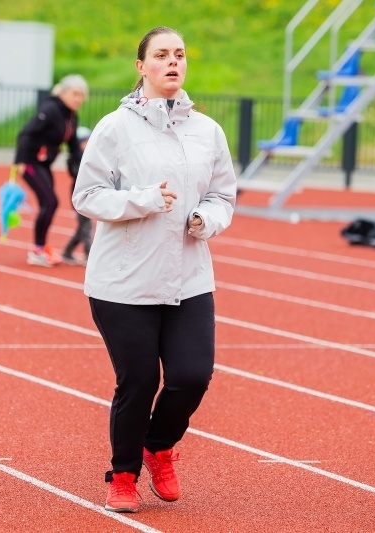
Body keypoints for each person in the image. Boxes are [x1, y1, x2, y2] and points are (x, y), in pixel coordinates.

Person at [72, 27, 237, 513]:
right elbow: (86, 196)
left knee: (192, 375)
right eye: (161, 55)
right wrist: (142, 201)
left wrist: (208, 218)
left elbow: (224, 194)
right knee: (139, 380)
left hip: (188, 276)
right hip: (123, 283)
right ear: (141, 66)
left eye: (180, 55)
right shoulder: (114, 129)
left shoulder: (207, 131)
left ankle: (159, 446)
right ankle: (123, 475)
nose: (173, 62)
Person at [14, 74, 88, 267]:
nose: (78, 99)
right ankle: (37, 249)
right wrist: (19, 160)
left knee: (50, 203)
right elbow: (27, 133)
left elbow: (72, 146)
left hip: (44, 164)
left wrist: (84, 168)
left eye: (81, 95)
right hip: (30, 161)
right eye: (75, 94)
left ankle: (41, 246)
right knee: (50, 201)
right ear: (64, 93)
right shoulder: (51, 109)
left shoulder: (71, 116)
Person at [61, 126, 93, 266]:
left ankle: (68, 251)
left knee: (83, 227)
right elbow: (76, 174)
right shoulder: (74, 159)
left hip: (91, 193)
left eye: (88, 141)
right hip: (79, 195)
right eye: (83, 142)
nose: (86, 145)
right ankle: (88, 255)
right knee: (85, 226)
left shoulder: (92, 156)